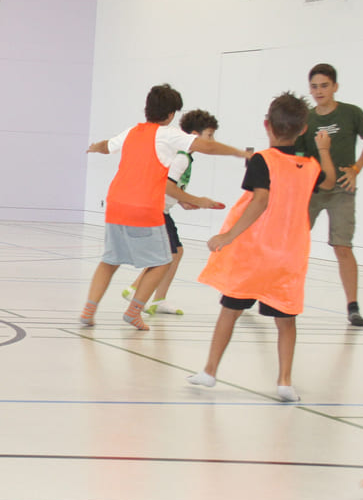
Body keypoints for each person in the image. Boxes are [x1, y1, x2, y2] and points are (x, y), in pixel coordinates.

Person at [187, 93, 336, 402]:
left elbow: (260, 200)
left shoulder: (262, 160)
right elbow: (330, 182)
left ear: (267, 125)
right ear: (304, 129)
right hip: (290, 255)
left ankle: (210, 371)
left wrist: (228, 236)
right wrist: (324, 151)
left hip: (254, 253)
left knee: (230, 311)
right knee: (286, 321)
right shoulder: (308, 165)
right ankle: (284, 381)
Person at [82, 84, 246, 331]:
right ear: (171, 115)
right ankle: (134, 311)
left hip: (116, 204)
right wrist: (240, 153)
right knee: (164, 261)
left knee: (109, 261)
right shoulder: (168, 134)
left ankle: (88, 311)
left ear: (146, 109)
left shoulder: (131, 131)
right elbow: (208, 146)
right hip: (144, 207)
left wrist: (96, 146)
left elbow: (107, 146)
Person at [121, 109, 221, 317]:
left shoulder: (184, 157)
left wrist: (184, 201)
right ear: (194, 136)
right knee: (169, 255)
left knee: (175, 253)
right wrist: (197, 200)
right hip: (155, 210)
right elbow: (166, 186)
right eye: (209, 135)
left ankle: (158, 299)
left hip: (161, 209)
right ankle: (135, 291)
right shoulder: (182, 157)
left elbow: (171, 187)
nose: (211, 141)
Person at [300, 63, 363, 327]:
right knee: (294, 243)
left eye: (324, 85)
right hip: (312, 189)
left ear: (335, 87)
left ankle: (352, 306)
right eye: (314, 86)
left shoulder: (351, 113)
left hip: (342, 190)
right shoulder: (306, 119)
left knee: (343, 247)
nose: (319, 91)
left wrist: (356, 169)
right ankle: (272, 293)